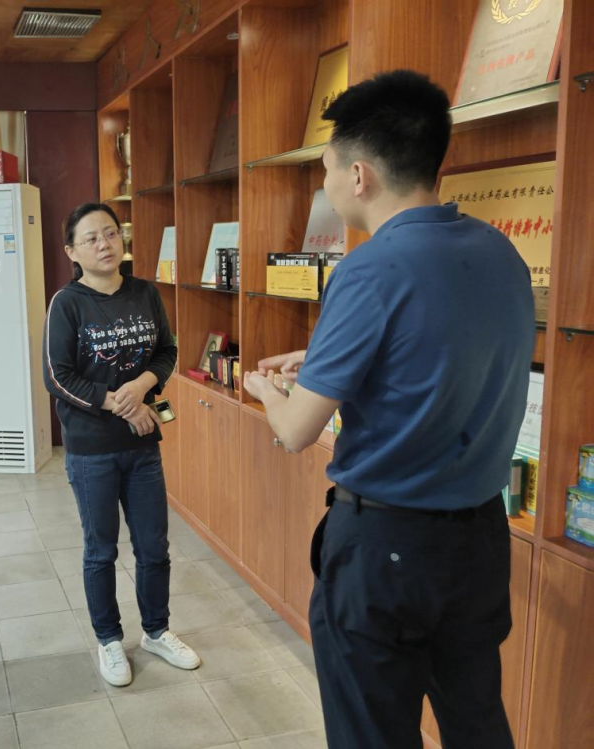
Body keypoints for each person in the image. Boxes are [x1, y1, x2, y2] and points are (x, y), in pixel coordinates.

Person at [242, 70, 532, 749]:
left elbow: (297, 430)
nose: (326, 185)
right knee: (476, 723)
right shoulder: (501, 252)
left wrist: (266, 391)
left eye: (326, 170)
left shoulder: (368, 269)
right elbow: (436, 355)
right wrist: (320, 362)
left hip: (387, 551)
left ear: (360, 174)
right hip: (480, 541)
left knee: (372, 732)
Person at [43, 203, 201, 686]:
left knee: (154, 546)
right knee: (101, 551)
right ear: (72, 251)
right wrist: (120, 403)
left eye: (110, 233)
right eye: (90, 238)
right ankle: (109, 640)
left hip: (143, 445)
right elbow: (57, 376)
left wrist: (142, 385)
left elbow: (166, 351)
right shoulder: (67, 303)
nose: (104, 244)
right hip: (92, 449)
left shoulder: (145, 293)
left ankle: (156, 631)